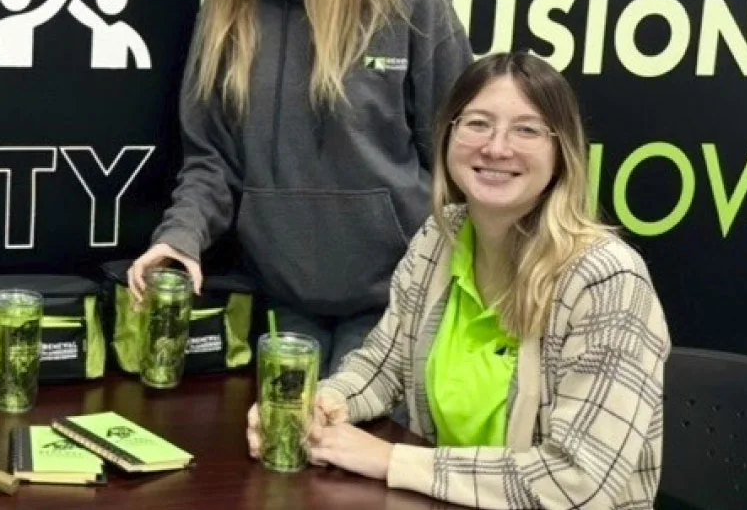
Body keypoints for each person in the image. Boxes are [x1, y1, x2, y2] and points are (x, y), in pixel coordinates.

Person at [128, 0, 472, 377]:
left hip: (397, 302)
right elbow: (211, 162)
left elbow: (458, 153)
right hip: (281, 302)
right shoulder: (229, 8)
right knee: (285, 454)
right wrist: (181, 239)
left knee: (358, 455)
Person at [245, 52, 670, 508]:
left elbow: (577, 479)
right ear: (448, 134)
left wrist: (393, 461)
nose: (496, 147)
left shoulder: (607, 281)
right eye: (477, 124)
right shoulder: (441, 236)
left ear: (561, 152)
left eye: (526, 130)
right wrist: (321, 406)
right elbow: (384, 365)